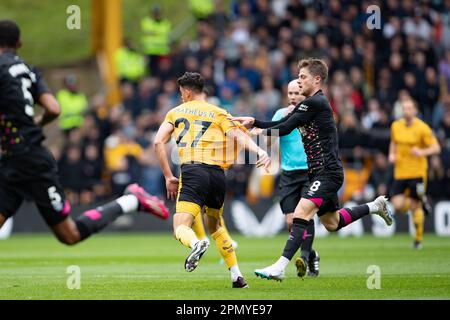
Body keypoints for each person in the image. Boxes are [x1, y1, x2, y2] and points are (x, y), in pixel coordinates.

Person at [0, 20, 169, 246]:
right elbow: (53, 108)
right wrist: (33, 124)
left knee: (70, 234)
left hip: (27, 161)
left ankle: (131, 201)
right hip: (19, 157)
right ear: (19, 43)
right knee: (69, 236)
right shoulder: (29, 71)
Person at [230, 58, 393, 281]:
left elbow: (285, 127)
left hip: (327, 172)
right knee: (332, 223)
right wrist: (255, 122)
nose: (299, 81)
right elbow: (284, 124)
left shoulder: (315, 102)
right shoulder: (311, 104)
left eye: (303, 77)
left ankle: (280, 267)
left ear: (317, 80)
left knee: (300, 213)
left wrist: (256, 124)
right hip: (319, 173)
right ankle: (374, 206)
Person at [154, 72, 270, 288]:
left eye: (181, 93)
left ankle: (197, 243)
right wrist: (259, 152)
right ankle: (237, 276)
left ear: (187, 92)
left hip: (193, 171)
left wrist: (169, 176)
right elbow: (238, 135)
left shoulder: (175, 112)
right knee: (216, 225)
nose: (181, 97)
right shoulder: (219, 112)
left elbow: (158, 142)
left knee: (179, 225)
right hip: (217, 175)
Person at [270, 79, 319, 277]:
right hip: (288, 174)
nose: (293, 97)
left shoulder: (313, 113)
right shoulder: (280, 114)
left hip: (309, 172)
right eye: (290, 93)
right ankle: (313, 255)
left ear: (304, 94)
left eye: (296, 93)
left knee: (305, 214)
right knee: (291, 222)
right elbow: (267, 140)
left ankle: (305, 257)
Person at [389, 99, 441, 249]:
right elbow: (393, 142)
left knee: (415, 207)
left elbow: (436, 148)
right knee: (397, 205)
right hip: (400, 172)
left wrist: (422, 151)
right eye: (404, 108)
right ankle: (422, 202)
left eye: (410, 108)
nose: (407, 111)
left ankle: (418, 240)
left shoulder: (423, 128)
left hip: (417, 172)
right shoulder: (396, 126)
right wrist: (392, 154)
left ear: (415, 110)